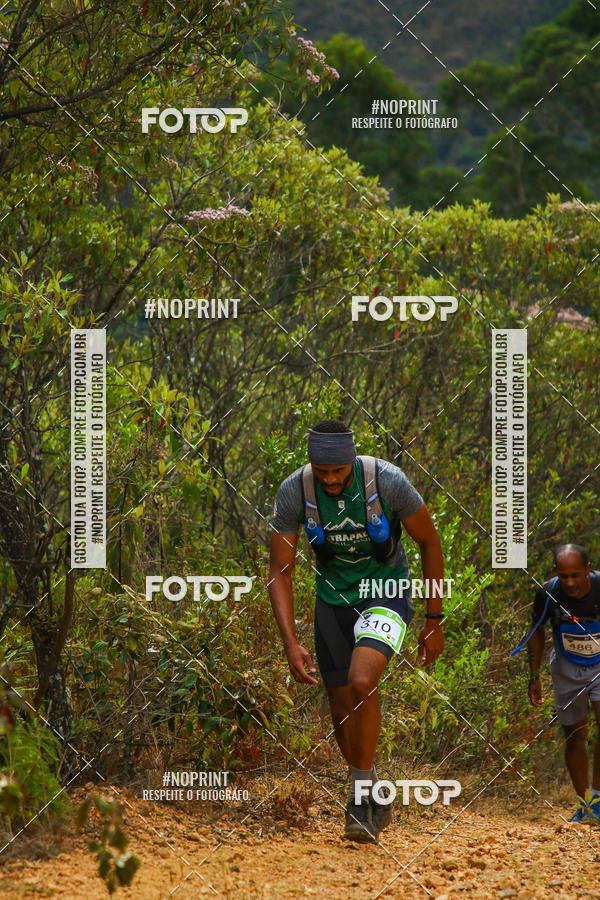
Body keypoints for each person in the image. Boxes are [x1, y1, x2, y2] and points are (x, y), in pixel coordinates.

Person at [268, 419, 445, 843]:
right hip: (333, 600)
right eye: (322, 471)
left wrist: (433, 619)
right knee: (340, 711)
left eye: (338, 473)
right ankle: (372, 786)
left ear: (352, 461)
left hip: (385, 590)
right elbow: (280, 569)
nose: (329, 480)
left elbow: (430, 543)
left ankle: (360, 800)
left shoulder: (388, 482)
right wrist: (290, 643)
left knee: (362, 681)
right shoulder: (296, 491)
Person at [526, 544, 600, 824]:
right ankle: (586, 803)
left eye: (576, 575)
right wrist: (535, 676)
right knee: (574, 736)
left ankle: (598, 798)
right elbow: (536, 630)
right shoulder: (547, 593)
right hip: (567, 667)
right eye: (564, 576)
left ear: (588, 570)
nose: (569, 582)